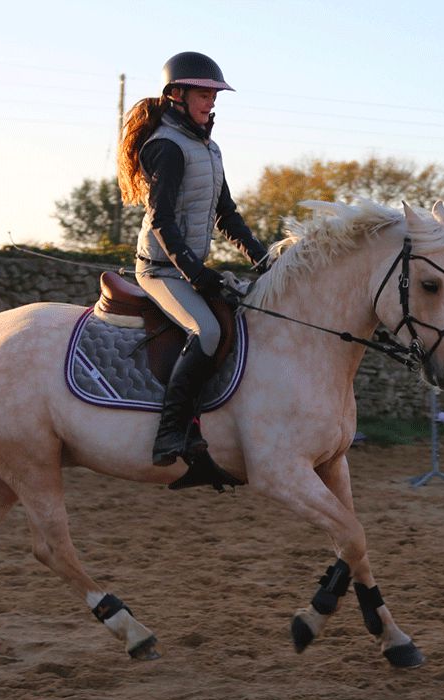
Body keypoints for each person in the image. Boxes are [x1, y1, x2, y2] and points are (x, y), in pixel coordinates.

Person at [117, 51, 268, 468]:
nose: (212, 101)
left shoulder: (210, 148)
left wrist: (261, 256)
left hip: (187, 268)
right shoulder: (165, 147)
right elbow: (161, 219)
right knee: (206, 333)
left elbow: (226, 214)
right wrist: (198, 274)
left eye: (215, 94)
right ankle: (171, 433)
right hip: (159, 270)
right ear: (177, 95)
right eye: (204, 93)